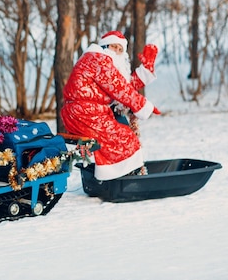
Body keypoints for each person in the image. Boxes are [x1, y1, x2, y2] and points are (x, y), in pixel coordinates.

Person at [61, 31, 161, 180]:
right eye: (114, 47)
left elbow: (122, 85)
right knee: (123, 137)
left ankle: (121, 174)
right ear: (105, 46)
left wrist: (145, 71)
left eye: (121, 50)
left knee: (123, 133)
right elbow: (120, 89)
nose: (117, 52)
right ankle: (121, 178)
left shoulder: (101, 61)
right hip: (84, 113)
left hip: (87, 112)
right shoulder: (98, 59)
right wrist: (144, 106)